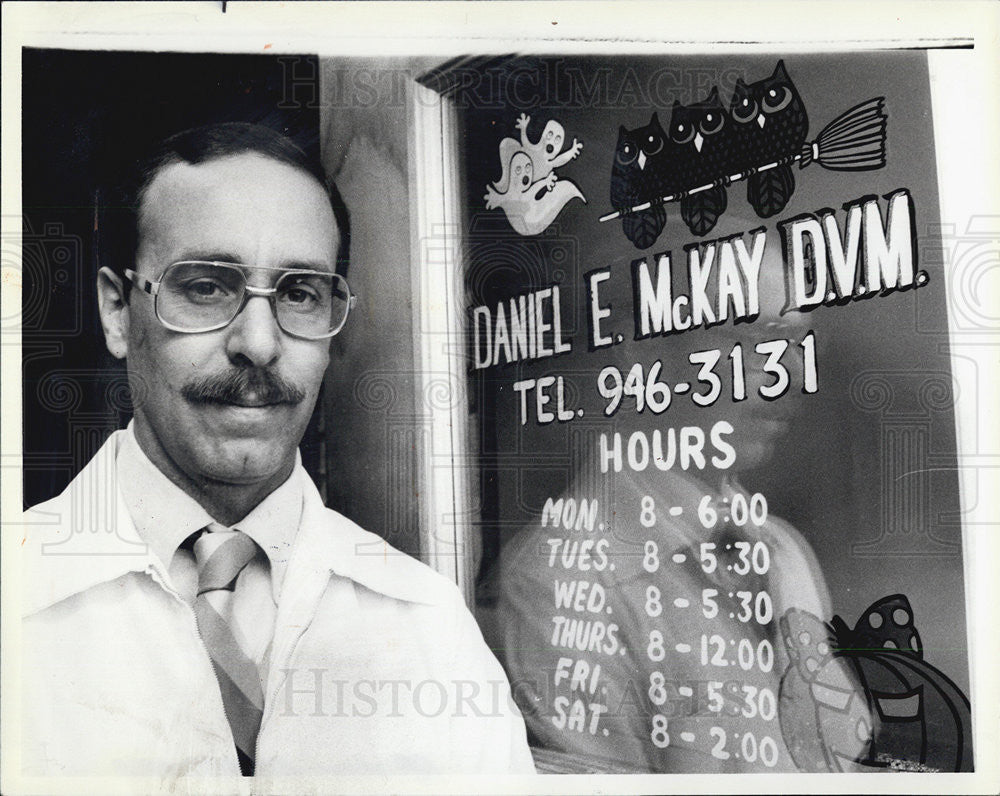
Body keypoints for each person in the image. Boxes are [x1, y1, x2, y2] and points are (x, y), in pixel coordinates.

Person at [20, 122, 534, 779]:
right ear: (119, 312)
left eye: (299, 293)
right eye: (206, 287)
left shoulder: (426, 627)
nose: (259, 344)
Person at [493, 242, 870, 772]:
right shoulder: (555, 578)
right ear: (638, 354)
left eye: (793, 343)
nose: (784, 374)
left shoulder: (783, 551)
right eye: (743, 339)